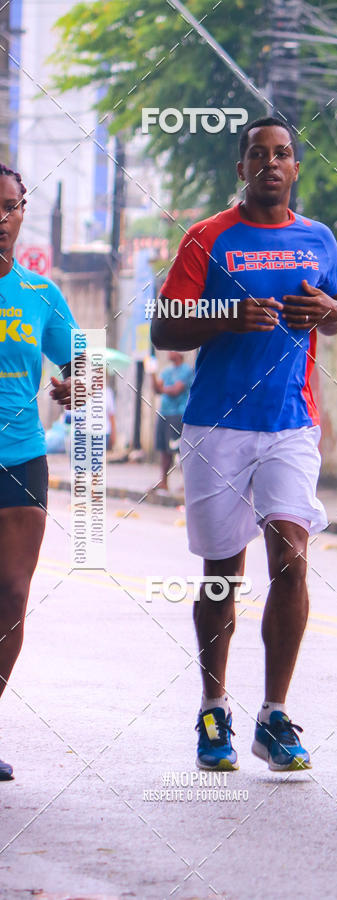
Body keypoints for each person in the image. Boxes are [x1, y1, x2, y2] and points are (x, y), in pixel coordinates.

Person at [151, 117, 337, 771]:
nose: (271, 163)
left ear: (296, 168)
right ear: (241, 169)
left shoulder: (318, 238)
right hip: (216, 427)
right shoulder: (207, 238)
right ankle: (214, 709)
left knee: (291, 556)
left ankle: (275, 716)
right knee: (222, 574)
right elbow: (164, 330)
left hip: (291, 422)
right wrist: (224, 316)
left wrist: (332, 312)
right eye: (258, 154)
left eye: (283, 154)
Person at [0, 163, 78, 780]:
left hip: (22, 458)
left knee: (12, 594)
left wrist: (78, 386)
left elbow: (86, 363)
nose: (1, 219)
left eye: (10, 206)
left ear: (23, 214)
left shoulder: (40, 294)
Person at [150, 351, 194, 492]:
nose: (169, 352)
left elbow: (176, 390)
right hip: (164, 413)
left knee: (180, 449)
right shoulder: (166, 370)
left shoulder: (186, 370)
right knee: (164, 450)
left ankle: (186, 484)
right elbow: (157, 389)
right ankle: (164, 481)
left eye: (172, 350)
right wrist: (151, 373)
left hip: (178, 414)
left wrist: (162, 388)